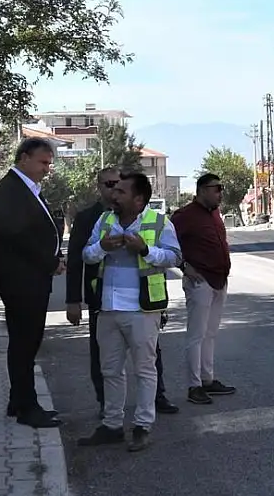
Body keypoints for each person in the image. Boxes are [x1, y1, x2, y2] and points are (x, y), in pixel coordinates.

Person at [76, 172, 181, 452]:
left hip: (142, 310)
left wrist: (145, 250)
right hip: (107, 309)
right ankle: (112, 425)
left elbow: (174, 257)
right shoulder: (105, 220)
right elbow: (86, 255)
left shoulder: (159, 222)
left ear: (138, 199)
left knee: (145, 370)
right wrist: (102, 247)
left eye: (120, 191)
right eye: (113, 190)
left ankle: (142, 426)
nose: (113, 195)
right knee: (109, 370)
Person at [0, 138, 66, 429]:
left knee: (27, 343)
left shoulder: (27, 189)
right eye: (42, 162)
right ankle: (27, 407)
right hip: (21, 280)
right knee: (25, 343)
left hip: (32, 278)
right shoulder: (10, 191)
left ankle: (18, 399)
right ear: (24, 158)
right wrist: (49, 262)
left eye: (49, 163)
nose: (47, 169)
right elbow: (16, 237)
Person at [172, 173, 235, 405]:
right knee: (196, 335)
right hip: (200, 282)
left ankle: (208, 380)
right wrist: (183, 266)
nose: (220, 193)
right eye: (215, 188)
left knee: (210, 334)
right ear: (201, 190)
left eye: (221, 188)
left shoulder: (215, 214)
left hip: (219, 280)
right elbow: (167, 242)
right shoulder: (185, 216)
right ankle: (194, 385)